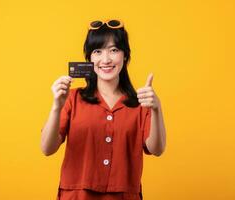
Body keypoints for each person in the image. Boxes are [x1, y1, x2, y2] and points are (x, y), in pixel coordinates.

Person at [41, 19, 166, 200]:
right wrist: (56, 106)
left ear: (125, 55)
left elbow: (157, 149)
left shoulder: (140, 103)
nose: (106, 59)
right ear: (90, 58)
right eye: (98, 51)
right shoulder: (72, 98)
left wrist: (156, 108)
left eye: (114, 50)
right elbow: (47, 148)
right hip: (77, 196)